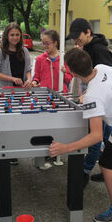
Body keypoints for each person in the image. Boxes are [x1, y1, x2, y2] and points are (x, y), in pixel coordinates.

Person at [49, 48, 112, 222]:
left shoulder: (92, 97)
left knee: (107, 164)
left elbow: (96, 136)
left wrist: (66, 148)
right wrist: (88, 94)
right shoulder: (103, 68)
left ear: (73, 72)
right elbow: (107, 87)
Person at [66, 18, 112, 186]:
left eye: (77, 36)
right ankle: (109, 170)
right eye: (73, 37)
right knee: (106, 137)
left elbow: (108, 77)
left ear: (88, 32)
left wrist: (89, 93)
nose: (75, 40)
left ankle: (85, 172)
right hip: (100, 101)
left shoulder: (98, 50)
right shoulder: (89, 48)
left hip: (103, 102)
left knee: (97, 136)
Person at [32, 29, 73, 170]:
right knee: (44, 125)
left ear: (55, 43)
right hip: (44, 98)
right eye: (43, 43)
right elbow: (36, 77)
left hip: (61, 97)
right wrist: (35, 82)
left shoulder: (64, 59)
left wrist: (65, 72)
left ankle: (56, 152)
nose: (45, 46)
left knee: (58, 126)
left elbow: (69, 79)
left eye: (47, 43)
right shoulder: (40, 59)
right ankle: (43, 154)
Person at [0, 22, 32, 165]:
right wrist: (12, 79)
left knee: (18, 121)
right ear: (7, 36)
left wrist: (28, 79)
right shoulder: (0, 51)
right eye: (12, 35)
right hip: (5, 92)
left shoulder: (25, 51)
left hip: (20, 92)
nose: (15, 37)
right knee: (4, 122)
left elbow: (28, 69)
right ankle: (5, 151)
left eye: (17, 35)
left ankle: (15, 150)